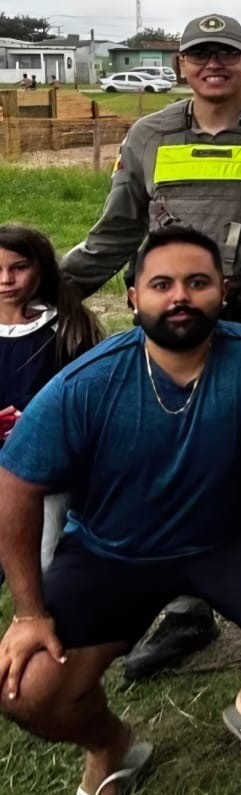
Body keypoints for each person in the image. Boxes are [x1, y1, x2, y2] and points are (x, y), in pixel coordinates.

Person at [0, 228, 241, 795]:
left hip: (234, 535)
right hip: (112, 550)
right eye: (162, 284)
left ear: (223, 291)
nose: (180, 296)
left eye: (196, 282)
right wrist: (29, 612)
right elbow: (17, 483)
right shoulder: (88, 382)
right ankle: (111, 746)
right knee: (26, 689)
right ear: (133, 297)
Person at [62, 13, 241, 681]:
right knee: (178, 461)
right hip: (173, 333)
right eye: (200, 55)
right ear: (181, 65)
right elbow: (116, 232)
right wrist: (45, 290)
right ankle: (188, 608)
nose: (214, 65)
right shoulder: (150, 136)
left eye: (227, 54)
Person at [0, 226, 103, 574]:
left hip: (48, 474)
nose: (6, 279)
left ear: (41, 268)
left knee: (46, 563)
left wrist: (34, 420)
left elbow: (89, 402)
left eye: (19, 267)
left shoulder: (68, 328)